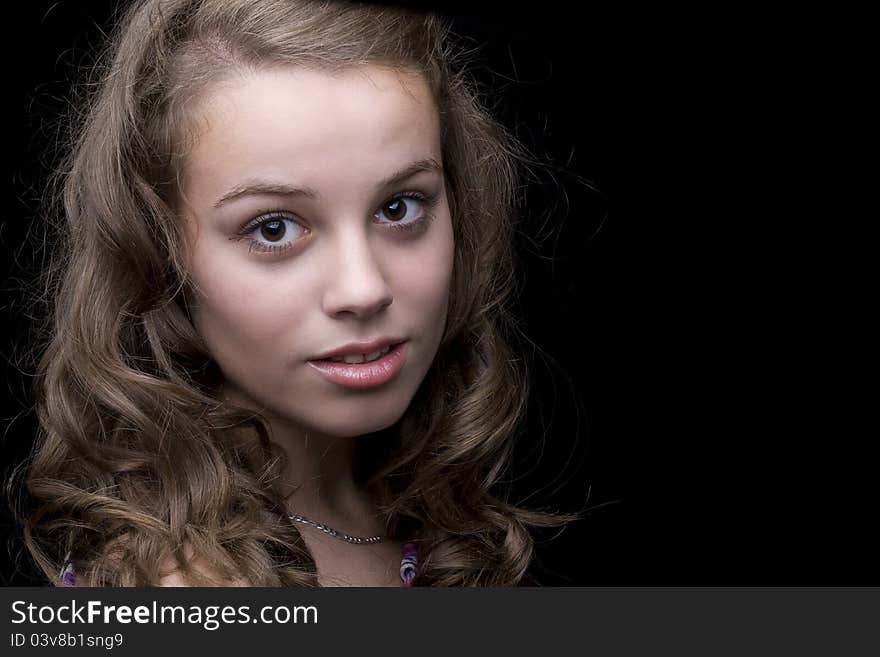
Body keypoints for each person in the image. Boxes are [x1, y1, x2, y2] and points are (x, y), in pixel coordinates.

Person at [17, 0, 580, 587]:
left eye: (399, 207)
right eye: (274, 228)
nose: (364, 289)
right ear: (158, 252)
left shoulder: (408, 506)